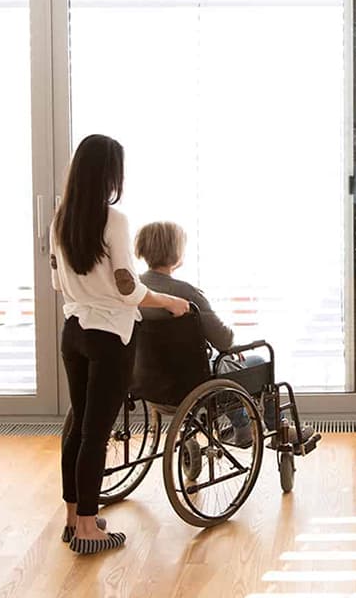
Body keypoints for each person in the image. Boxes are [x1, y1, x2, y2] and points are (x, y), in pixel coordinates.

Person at [51, 135, 190, 556]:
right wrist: (169, 301)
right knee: (96, 433)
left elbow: (57, 280)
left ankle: (75, 518)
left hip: (73, 331)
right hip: (109, 335)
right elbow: (128, 287)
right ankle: (91, 530)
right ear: (111, 173)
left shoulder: (60, 219)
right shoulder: (114, 221)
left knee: (78, 427)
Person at [134, 221, 258, 446]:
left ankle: (241, 426)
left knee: (220, 364)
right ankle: (260, 426)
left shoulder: (134, 290)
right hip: (190, 386)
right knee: (257, 360)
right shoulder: (186, 293)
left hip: (149, 382)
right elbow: (225, 340)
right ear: (176, 253)